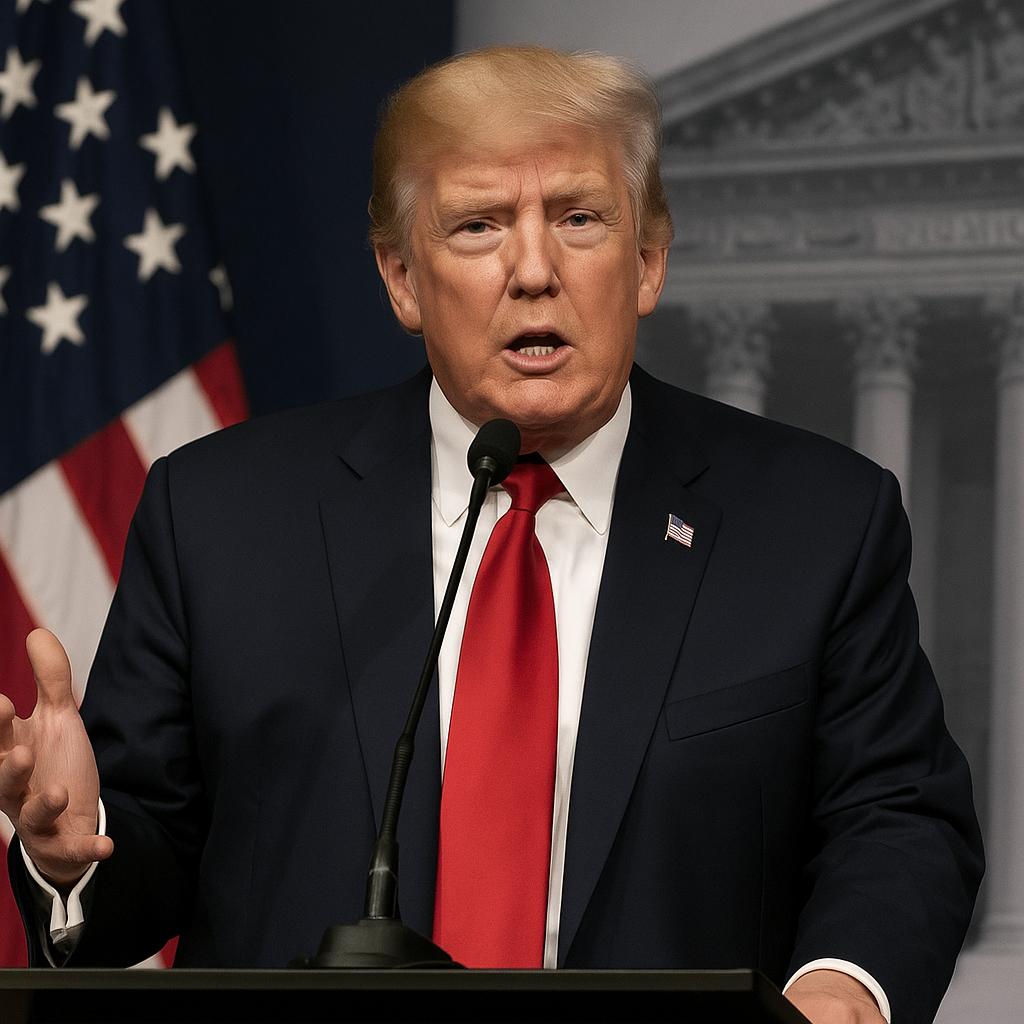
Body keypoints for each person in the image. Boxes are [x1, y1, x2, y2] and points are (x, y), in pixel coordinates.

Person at [1, 46, 982, 1024]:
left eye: (578, 218)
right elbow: (135, 873)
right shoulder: (219, 516)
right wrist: (65, 854)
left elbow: (896, 820)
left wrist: (841, 989)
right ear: (400, 277)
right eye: (477, 226)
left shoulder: (815, 520)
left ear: (647, 262)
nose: (532, 269)